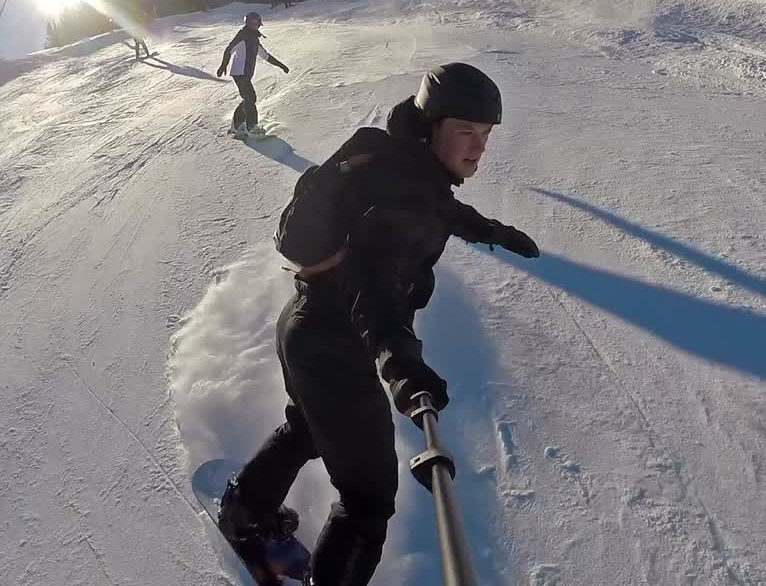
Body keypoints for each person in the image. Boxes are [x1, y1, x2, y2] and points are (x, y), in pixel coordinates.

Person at [216, 63, 540, 585]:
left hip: (301, 324)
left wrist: (493, 231)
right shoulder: (407, 197)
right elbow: (376, 293)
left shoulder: (396, 163)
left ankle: (244, 515)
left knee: (306, 428)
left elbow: (442, 209)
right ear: (432, 125)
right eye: (465, 132)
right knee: (367, 504)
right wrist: (400, 363)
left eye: (484, 135)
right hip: (340, 345)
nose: (478, 147)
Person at [217, 12, 290, 136]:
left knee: (248, 98)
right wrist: (224, 64)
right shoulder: (243, 35)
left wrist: (281, 65)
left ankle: (237, 125)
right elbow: (229, 49)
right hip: (239, 72)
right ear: (248, 23)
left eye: (257, 23)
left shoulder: (254, 39)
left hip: (245, 73)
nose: (256, 25)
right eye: (253, 23)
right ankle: (251, 127)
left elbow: (266, 56)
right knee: (250, 98)